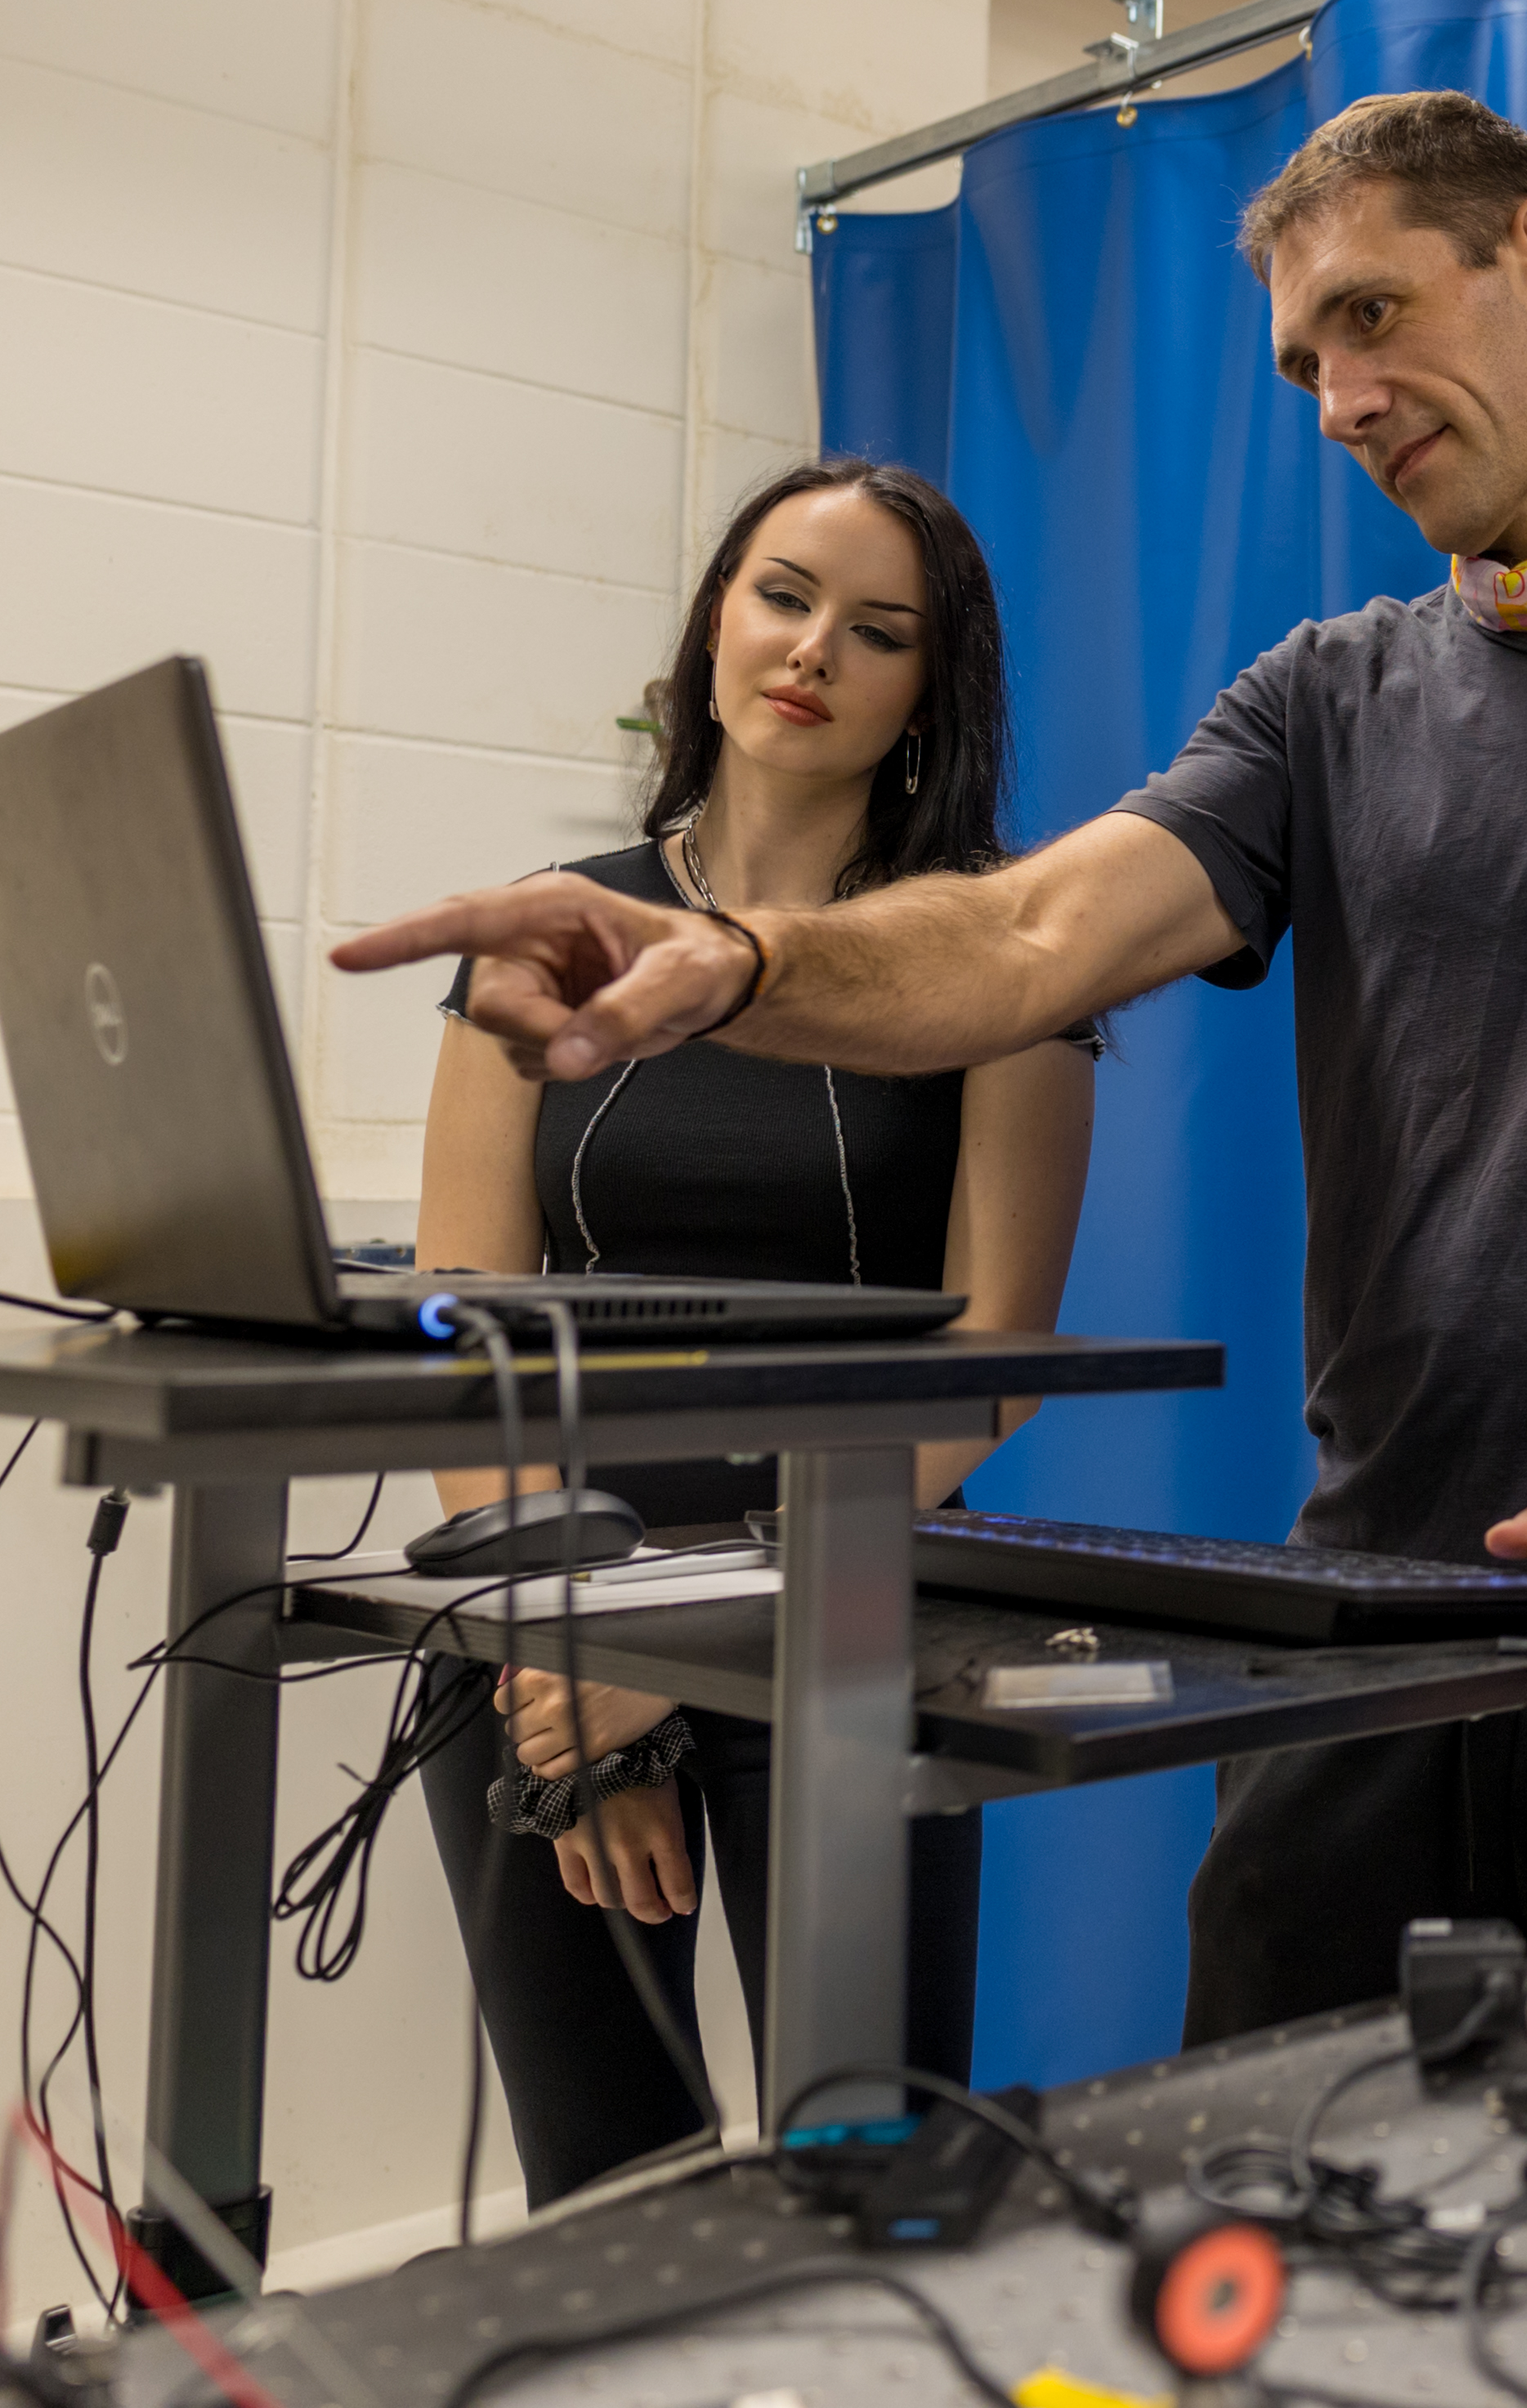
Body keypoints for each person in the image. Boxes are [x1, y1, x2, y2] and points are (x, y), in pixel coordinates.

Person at [342, 91, 1527, 2040]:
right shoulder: (1326, 698)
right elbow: (1026, 933)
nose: (1337, 399)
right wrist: (736, 959)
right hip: (1381, 1626)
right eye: (1300, 359)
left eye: (1369, 318)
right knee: (1264, 2245)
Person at [407, 456, 1097, 2200]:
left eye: (878, 632)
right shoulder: (545, 932)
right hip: (546, 1635)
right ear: (716, 614)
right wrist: (573, 1667)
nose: (811, 652)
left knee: (870, 2186)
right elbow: (463, 1318)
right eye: (783, 595)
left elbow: (991, 1357)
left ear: (927, 696)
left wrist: (692, 1644)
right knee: (607, 2202)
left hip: (852, 1625)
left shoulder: (1000, 961)